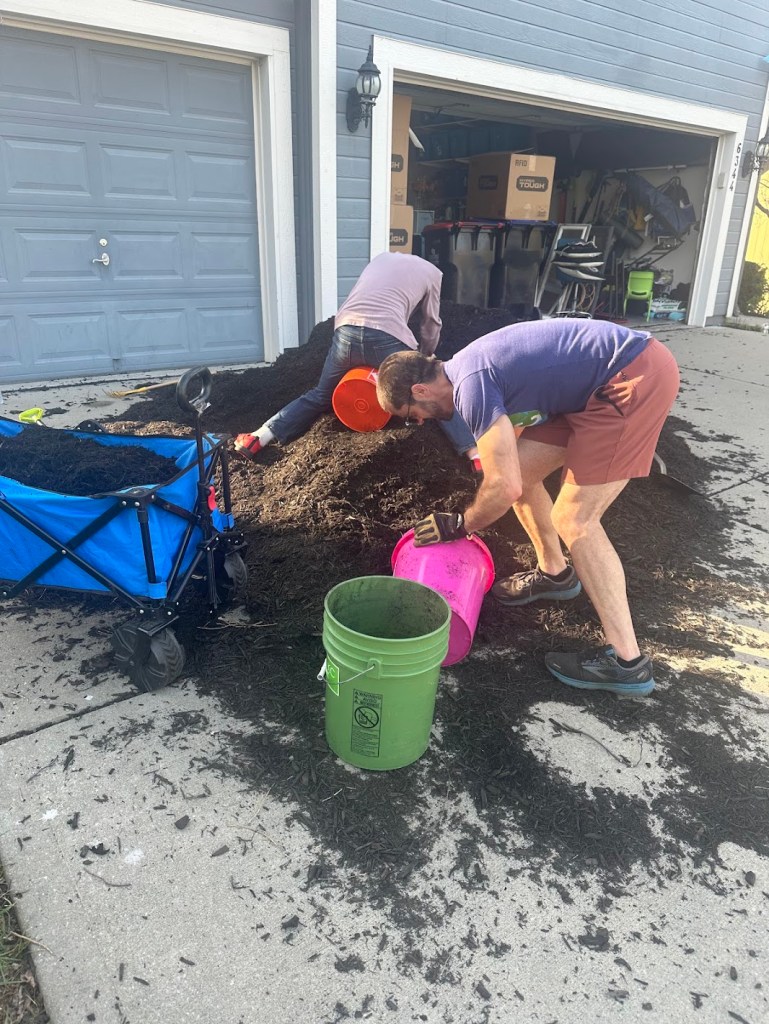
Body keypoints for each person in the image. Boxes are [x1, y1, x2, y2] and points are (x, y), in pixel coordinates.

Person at [375, 317, 680, 697]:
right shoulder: (467, 372)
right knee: (519, 473)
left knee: (575, 519)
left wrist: (461, 523)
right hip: (587, 391)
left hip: (631, 377)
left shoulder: (470, 387)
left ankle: (628, 664)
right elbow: (509, 474)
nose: (417, 423)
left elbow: (502, 487)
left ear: (420, 390)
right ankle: (555, 574)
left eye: (409, 414)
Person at [234, 251, 479, 469]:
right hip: (387, 336)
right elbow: (430, 324)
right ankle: (474, 454)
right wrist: (426, 357)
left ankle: (259, 436)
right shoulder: (432, 273)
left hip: (346, 331)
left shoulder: (381, 258)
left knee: (320, 395)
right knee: (434, 389)